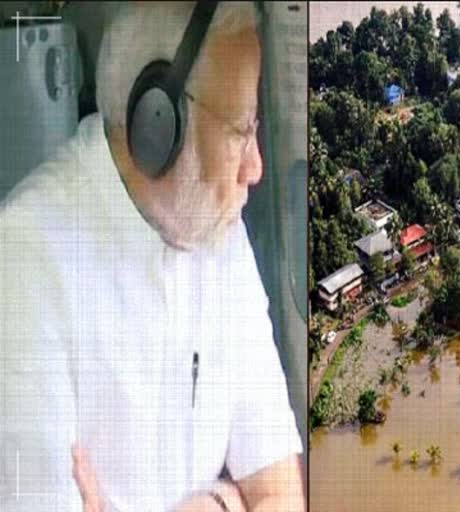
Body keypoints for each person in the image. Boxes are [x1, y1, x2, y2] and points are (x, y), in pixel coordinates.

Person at [0, 2, 305, 511]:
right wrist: (234, 495)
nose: (255, 169)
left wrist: (216, 505)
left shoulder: (222, 236)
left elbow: (281, 492)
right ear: (158, 120)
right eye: (241, 132)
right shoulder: (23, 260)